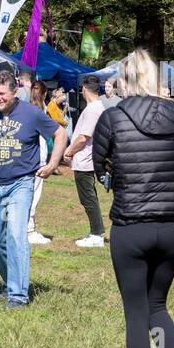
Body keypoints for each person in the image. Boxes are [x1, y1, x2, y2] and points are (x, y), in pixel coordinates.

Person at [92, 51, 174, 348]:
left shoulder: (112, 117)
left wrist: (116, 179)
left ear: (124, 79)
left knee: (136, 313)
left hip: (130, 225)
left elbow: (99, 161)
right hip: (169, 226)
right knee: (158, 307)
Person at [0, 69, 67, 309]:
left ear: (14, 92)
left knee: (16, 236)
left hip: (21, 183)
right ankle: (10, 281)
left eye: (1, 94)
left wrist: (53, 163)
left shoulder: (31, 113)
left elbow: (60, 132)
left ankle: (18, 296)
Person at [65, 74, 107, 248]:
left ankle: (97, 234)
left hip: (85, 160)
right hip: (90, 158)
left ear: (84, 89)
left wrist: (69, 151)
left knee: (88, 198)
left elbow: (83, 137)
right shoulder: (100, 107)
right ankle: (95, 232)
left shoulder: (92, 109)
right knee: (90, 197)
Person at [25, 79, 55, 245]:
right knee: (33, 195)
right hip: (37, 158)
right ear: (44, 94)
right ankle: (29, 229)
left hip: (26, 157)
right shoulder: (40, 110)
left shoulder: (25, 108)